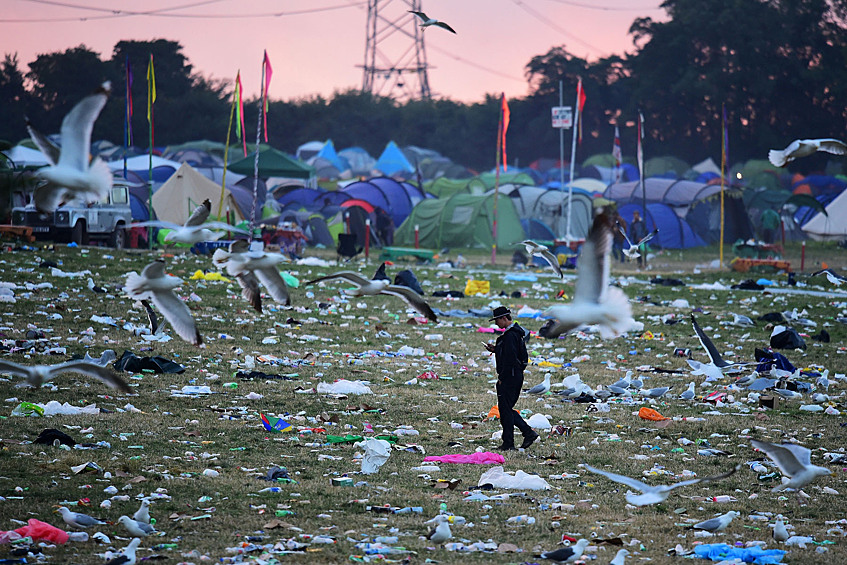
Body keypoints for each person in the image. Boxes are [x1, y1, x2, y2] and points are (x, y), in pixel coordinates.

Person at [483, 306, 538, 451]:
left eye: (497, 320)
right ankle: (517, 438)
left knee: (505, 409)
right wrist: (496, 349)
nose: (496, 324)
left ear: (504, 318)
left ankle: (517, 438)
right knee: (506, 409)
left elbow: (510, 359)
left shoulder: (510, 336)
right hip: (515, 375)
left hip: (510, 377)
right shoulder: (514, 334)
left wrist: (503, 377)